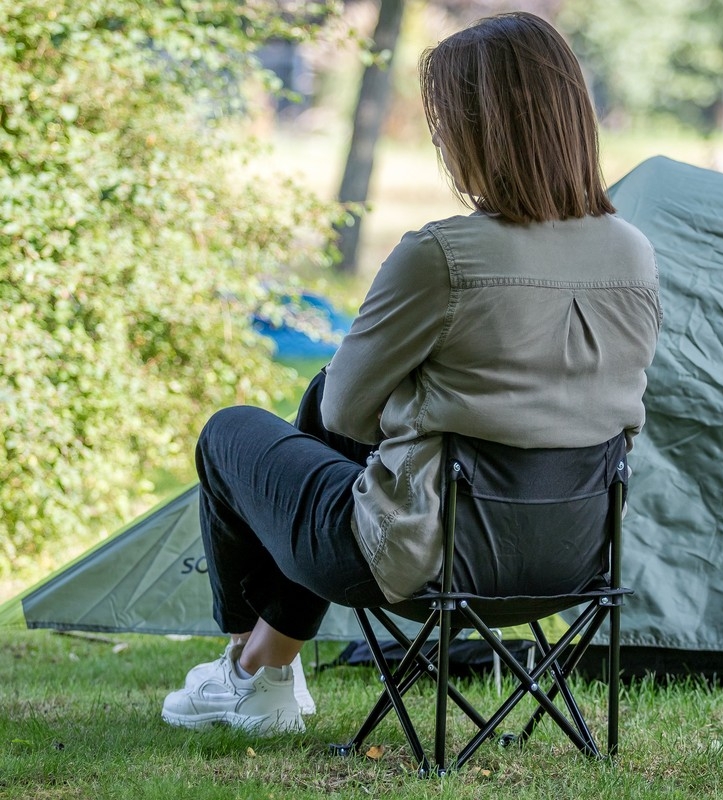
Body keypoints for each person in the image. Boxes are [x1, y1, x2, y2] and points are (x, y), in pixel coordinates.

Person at [161, 11, 662, 736]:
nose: (439, 142)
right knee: (337, 404)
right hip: (572, 559)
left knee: (231, 432)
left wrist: (413, 400)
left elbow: (341, 416)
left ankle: (250, 668)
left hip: (423, 560)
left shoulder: (441, 256)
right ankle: (264, 669)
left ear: (478, 131)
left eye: (444, 125)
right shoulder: (635, 253)